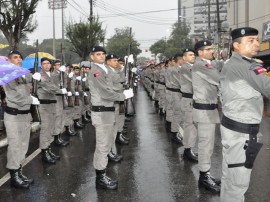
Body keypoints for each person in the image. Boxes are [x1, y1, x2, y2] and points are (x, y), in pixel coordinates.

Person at [220, 27, 269, 202]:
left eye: (256, 40)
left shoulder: (234, 64)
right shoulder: (246, 66)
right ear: (236, 46)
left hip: (232, 129)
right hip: (241, 133)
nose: (256, 43)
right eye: (250, 40)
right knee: (237, 184)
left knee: (229, 178)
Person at [88, 46, 133, 190]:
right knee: (102, 146)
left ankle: (102, 174)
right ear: (92, 57)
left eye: (103, 54)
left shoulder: (104, 70)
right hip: (101, 113)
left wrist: (126, 68)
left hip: (108, 111)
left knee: (106, 144)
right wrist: (123, 96)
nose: (101, 56)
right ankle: (100, 177)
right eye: (98, 54)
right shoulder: (96, 72)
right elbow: (106, 93)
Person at [3, 50, 38, 189]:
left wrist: (35, 75)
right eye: (15, 57)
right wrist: (31, 99)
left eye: (20, 57)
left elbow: (30, 79)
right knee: (15, 146)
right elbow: (15, 97)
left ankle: (19, 170)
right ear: (9, 60)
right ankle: (14, 176)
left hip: (25, 115)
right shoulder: (8, 76)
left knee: (23, 145)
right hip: (14, 115)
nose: (19, 59)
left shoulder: (21, 75)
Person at [192, 40, 221, 193]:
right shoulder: (201, 65)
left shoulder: (206, 64)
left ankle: (206, 174)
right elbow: (219, 78)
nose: (212, 51)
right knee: (205, 145)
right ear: (200, 52)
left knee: (208, 145)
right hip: (204, 112)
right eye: (208, 49)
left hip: (208, 111)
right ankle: (204, 176)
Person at [33, 57, 67, 164]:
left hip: (52, 104)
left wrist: (63, 73)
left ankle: (48, 150)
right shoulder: (40, 75)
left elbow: (61, 81)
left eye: (48, 63)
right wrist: (59, 90)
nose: (47, 65)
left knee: (51, 128)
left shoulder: (52, 74)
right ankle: (44, 153)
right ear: (41, 65)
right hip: (44, 105)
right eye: (44, 63)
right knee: (45, 129)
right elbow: (48, 87)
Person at [180, 49, 198, 162]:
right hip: (188, 100)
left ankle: (189, 149)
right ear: (184, 57)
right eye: (190, 55)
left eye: (193, 55)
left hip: (191, 99)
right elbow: (195, 79)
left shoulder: (191, 67)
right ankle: (187, 150)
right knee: (189, 126)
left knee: (191, 126)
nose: (193, 56)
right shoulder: (186, 67)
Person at [51, 60, 69, 146]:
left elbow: (65, 82)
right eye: (57, 65)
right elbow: (55, 81)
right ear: (54, 66)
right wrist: (61, 73)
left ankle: (59, 134)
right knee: (57, 117)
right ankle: (56, 137)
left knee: (62, 116)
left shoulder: (62, 73)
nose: (58, 66)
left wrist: (64, 73)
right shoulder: (53, 74)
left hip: (62, 96)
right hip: (57, 97)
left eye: (60, 65)